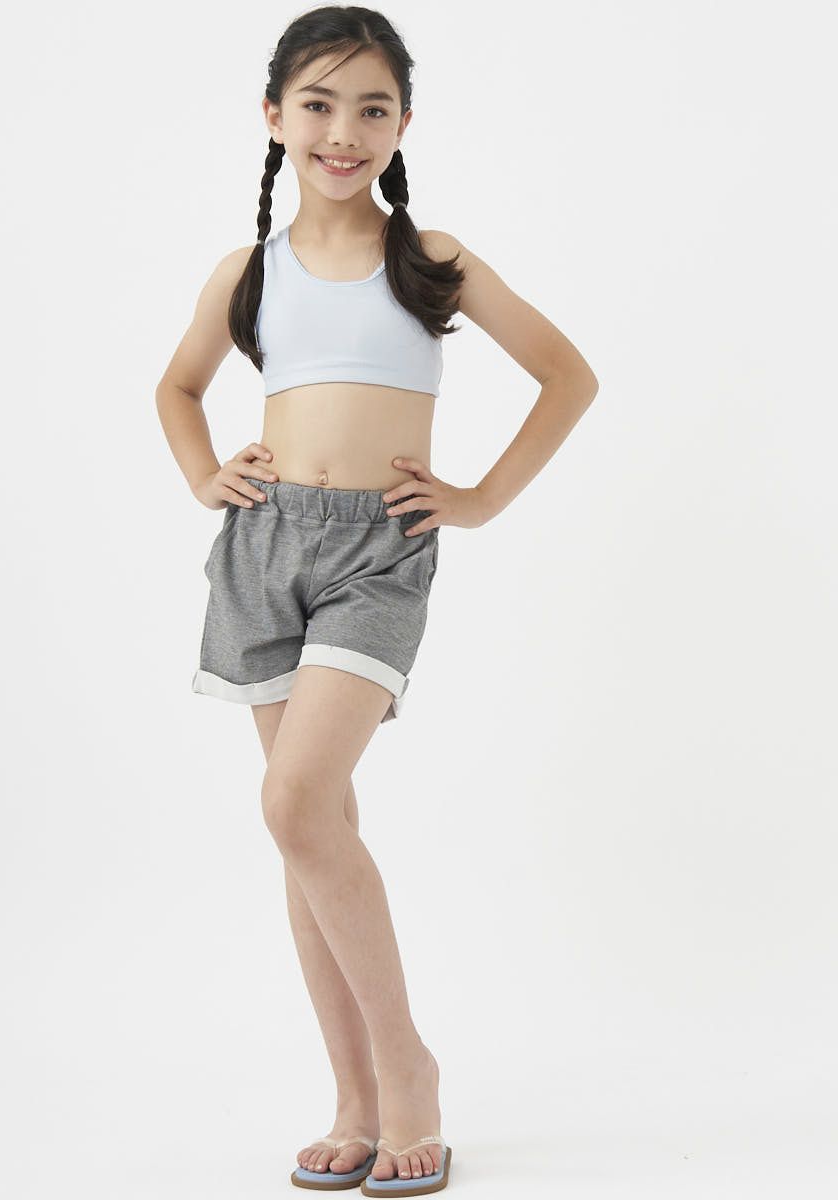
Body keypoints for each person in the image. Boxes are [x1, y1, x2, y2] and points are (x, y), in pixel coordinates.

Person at [154, 6, 598, 1193]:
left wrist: (480, 498)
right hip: (262, 547)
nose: (342, 132)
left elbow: (567, 374)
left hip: (377, 553)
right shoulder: (249, 271)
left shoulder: (430, 259)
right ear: (273, 117)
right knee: (311, 826)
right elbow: (177, 388)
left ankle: (408, 1072)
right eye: (318, 105)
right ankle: (352, 1098)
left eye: (370, 108)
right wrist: (202, 474)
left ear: (402, 125)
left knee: (295, 801)